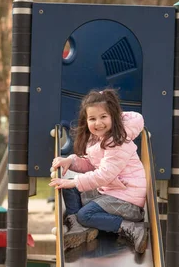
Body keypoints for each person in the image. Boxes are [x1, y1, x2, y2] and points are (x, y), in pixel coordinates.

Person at [49, 88, 148, 254]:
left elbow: (104, 175)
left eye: (104, 117)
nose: (98, 123)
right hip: (112, 192)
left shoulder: (118, 142)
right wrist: (70, 161)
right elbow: (91, 163)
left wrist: (74, 181)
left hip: (128, 200)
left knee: (85, 214)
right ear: (86, 121)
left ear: (114, 117)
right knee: (69, 187)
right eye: (92, 118)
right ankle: (78, 227)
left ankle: (131, 228)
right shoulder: (97, 139)